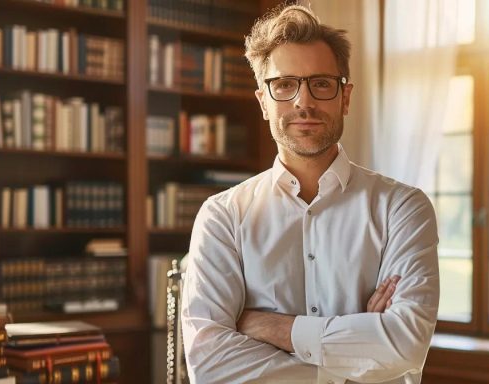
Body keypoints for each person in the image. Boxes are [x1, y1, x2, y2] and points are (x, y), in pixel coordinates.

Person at [179, 5, 440, 383]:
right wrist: (357, 353)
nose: (304, 101)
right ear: (263, 102)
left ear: (345, 97)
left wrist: (268, 327)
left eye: (321, 83)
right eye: (285, 84)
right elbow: (210, 365)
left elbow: (406, 344)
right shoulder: (223, 216)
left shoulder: (402, 208)